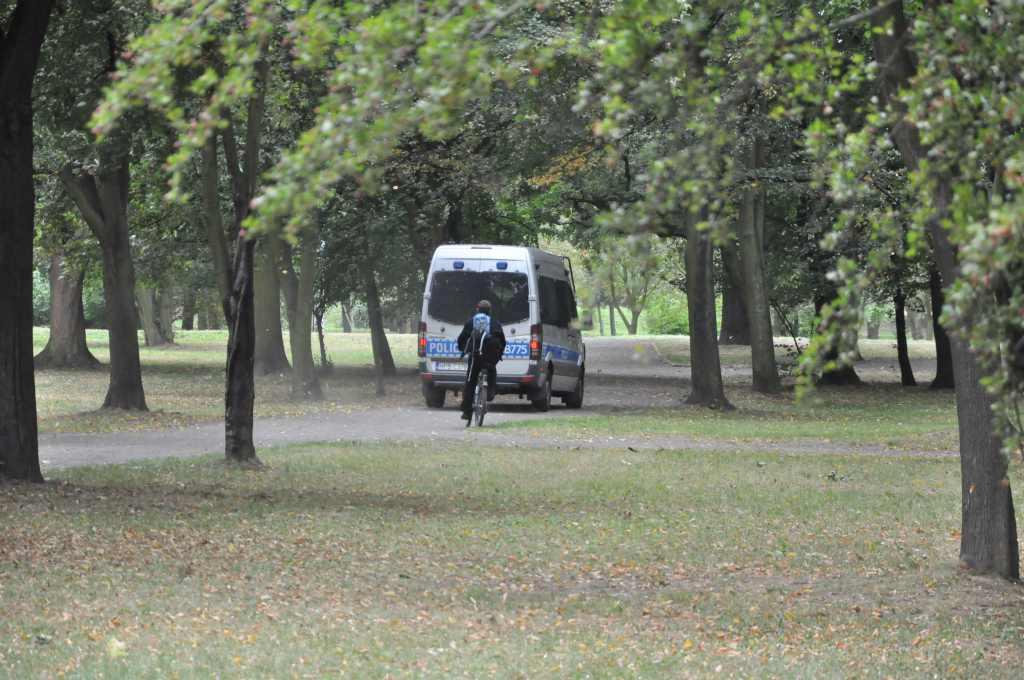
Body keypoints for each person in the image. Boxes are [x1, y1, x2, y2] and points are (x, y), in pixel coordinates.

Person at [457, 299, 506, 420]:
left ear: (477, 309)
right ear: (490, 311)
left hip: (475, 357)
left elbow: (462, 338)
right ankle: (490, 393)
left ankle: (467, 411)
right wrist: (499, 354)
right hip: (490, 358)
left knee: (470, 381)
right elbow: (502, 341)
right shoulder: (495, 323)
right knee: (492, 371)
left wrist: (463, 350)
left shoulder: (471, 322)